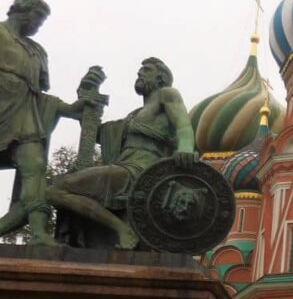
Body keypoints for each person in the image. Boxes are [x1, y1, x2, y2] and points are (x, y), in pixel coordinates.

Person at [45, 57, 198, 249]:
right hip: (123, 167)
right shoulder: (133, 116)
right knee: (54, 192)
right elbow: (97, 133)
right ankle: (121, 227)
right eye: (140, 70)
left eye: (147, 70)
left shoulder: (167, 95)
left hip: (142, 171)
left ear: (161, 78)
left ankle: (123, 230)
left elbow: (183, 126)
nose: (140, 73)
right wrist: (87, 97)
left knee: (57, 190)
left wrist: (185, 148)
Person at [0, 0, 97, 244]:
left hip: (24, 117)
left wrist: (72, 107)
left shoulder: (37, 51)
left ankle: (40, 234)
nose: (38, 26)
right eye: (38, 19)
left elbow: (41, 98)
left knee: (35, 167)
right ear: (22, 12)